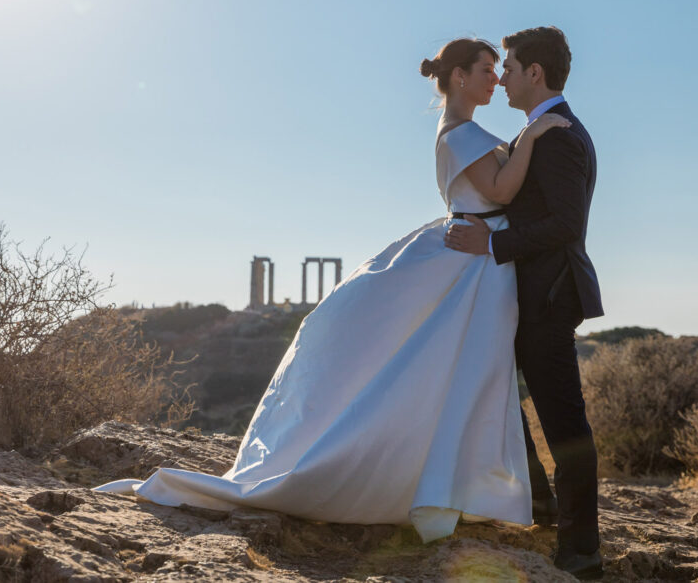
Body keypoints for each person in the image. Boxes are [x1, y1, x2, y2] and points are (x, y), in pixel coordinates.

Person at [95, 37, 568, 544]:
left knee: (469, 372)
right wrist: (535, 134)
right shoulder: (460, 135)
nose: (495, 78)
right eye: (486, 69)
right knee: (463, 370)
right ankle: (505, 491)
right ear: (458, 77)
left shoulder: (466, 131)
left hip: (477, 255)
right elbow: (499, 192)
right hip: (474, 262)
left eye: (500, 70)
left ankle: (513, 490)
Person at [445, 26, 603, 580]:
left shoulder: (558, 135)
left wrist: (492, 243)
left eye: (508, 67)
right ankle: (538, 501)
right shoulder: (539, 130)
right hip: (517, 294)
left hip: (548, 297)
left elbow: (566, 224)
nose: (503, 77)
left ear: (535, 72)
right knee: (490, 387)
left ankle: (582, 549)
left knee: (566, 427)